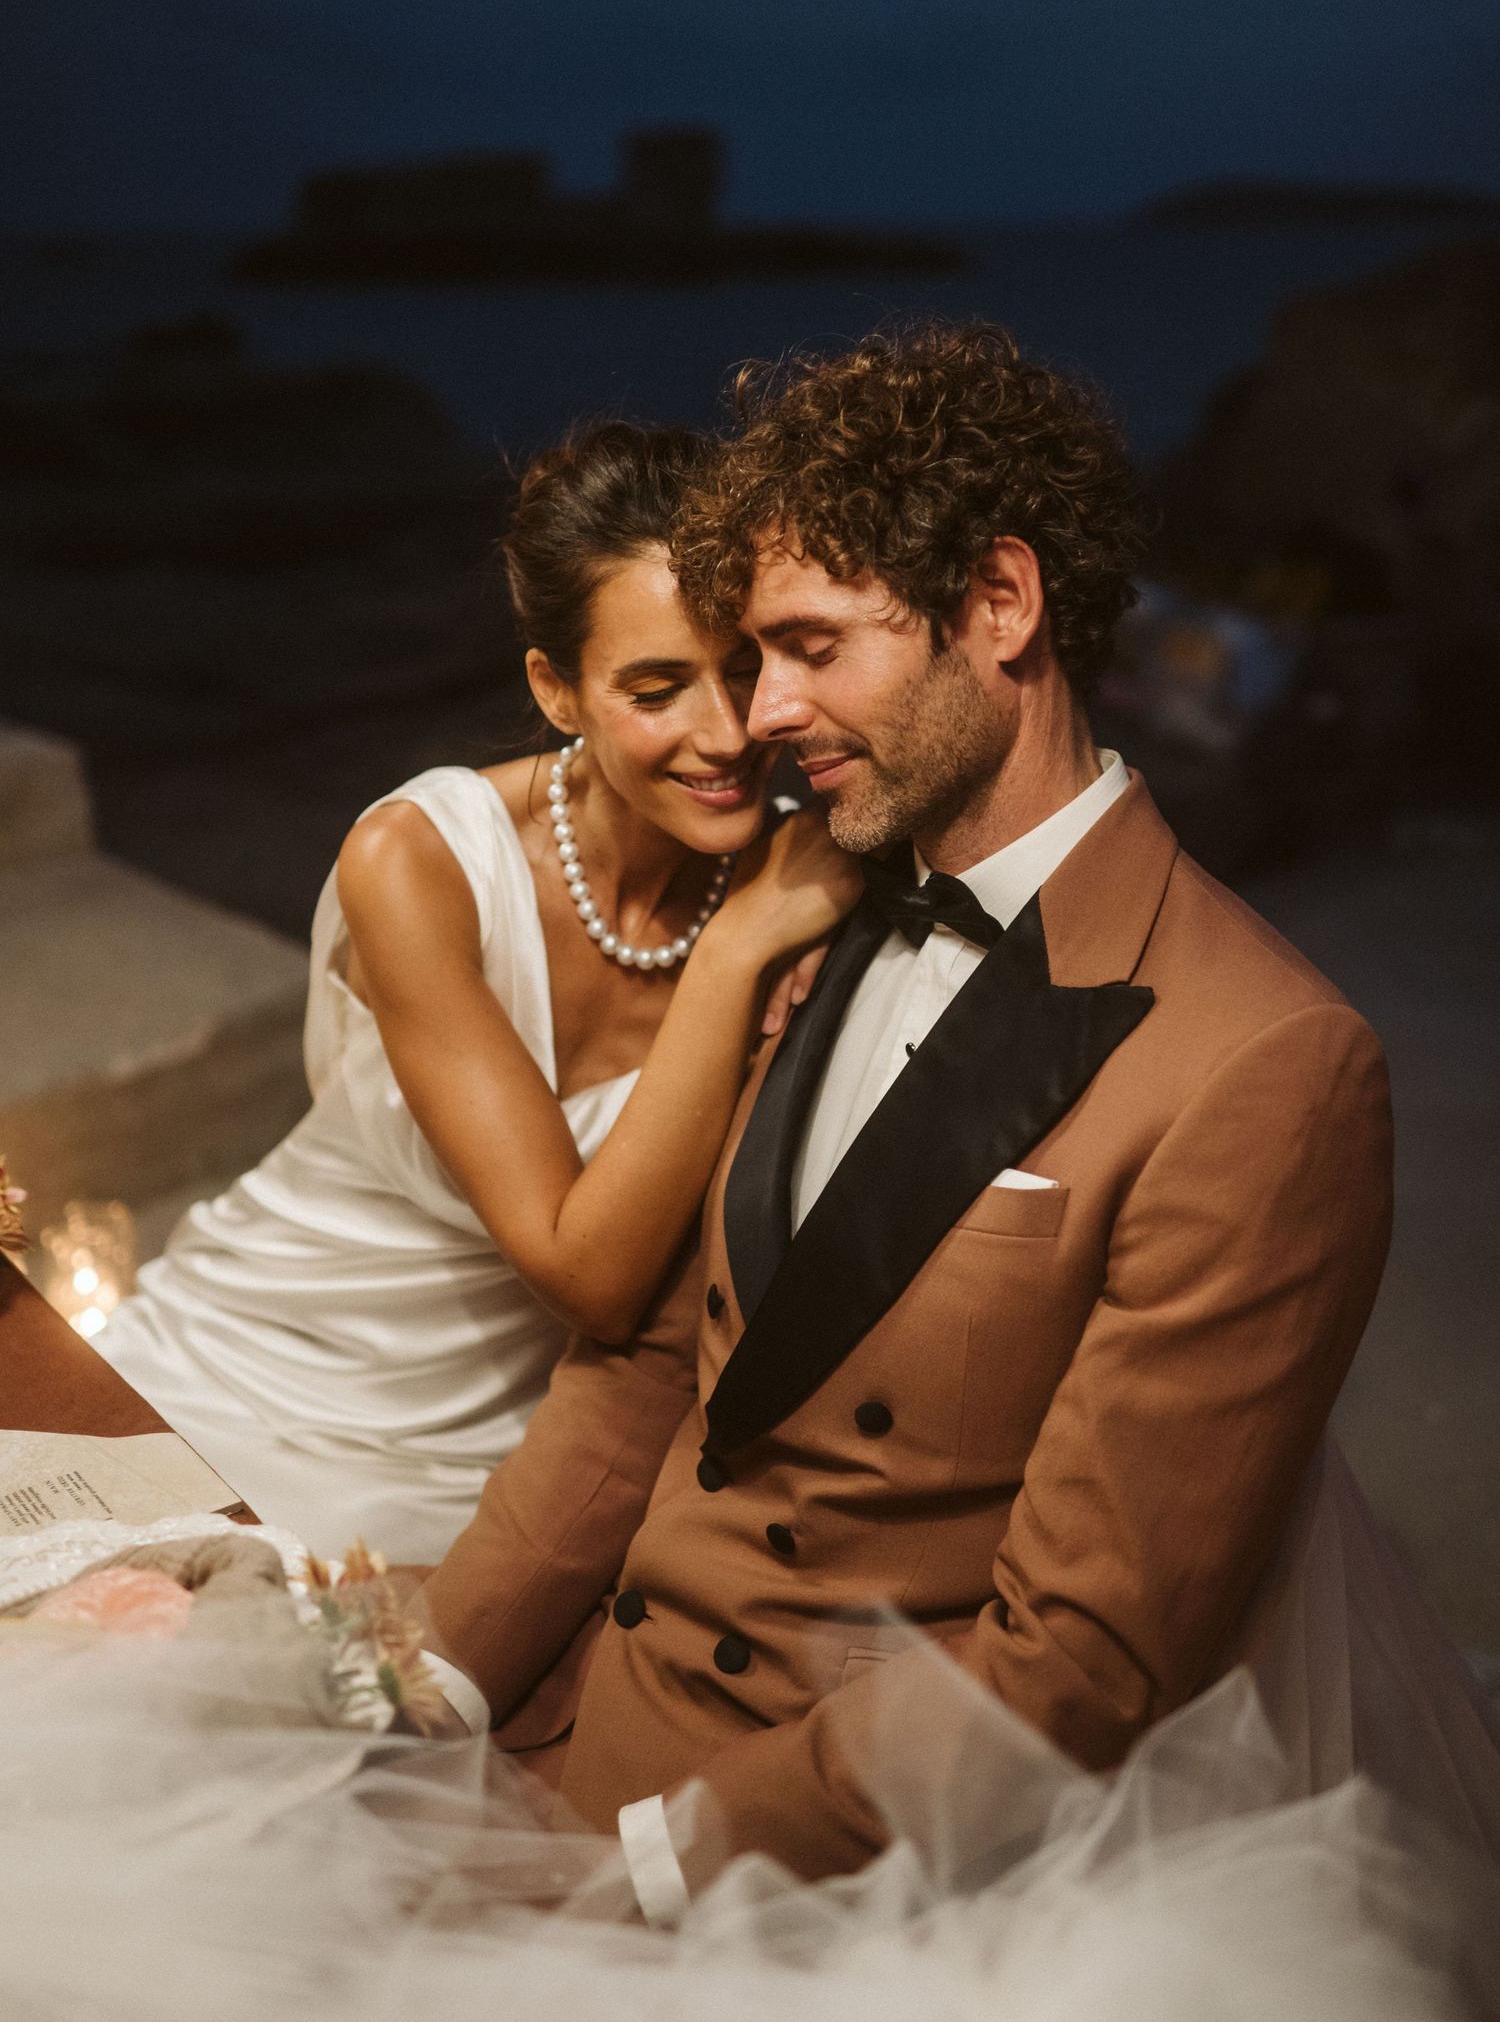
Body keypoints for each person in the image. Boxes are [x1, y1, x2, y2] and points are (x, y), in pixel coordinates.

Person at [414, 324, 1500, 1922]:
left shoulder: (1267, 1062)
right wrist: (433, 1678)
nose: (759, 714)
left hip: (857, 1854)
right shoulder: (816, 905)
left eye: (806, 647)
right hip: (584, 1706)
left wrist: (656, 1863)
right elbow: (656, 1368)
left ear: (999, 605)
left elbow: (1081, 1657)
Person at [98, 423, 859, 1564]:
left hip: (497, 1456)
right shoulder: (418, 861)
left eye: (747, 668)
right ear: (557, 690)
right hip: (245, 1362)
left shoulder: (810, 874)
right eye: (656, 688)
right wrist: (737, 949)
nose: (726, 733)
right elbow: (587, 1277)